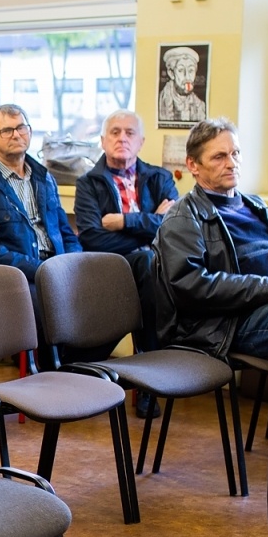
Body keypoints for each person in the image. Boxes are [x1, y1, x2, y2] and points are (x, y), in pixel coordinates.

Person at [155, 118, 268, 366]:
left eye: (235, 153)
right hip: (234, 321)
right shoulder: (183, 217)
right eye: (219, 157)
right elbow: (191, 286)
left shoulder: (256, 205)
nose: (232, 163)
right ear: (193, 165)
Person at [73, 110, 179, 364]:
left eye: (130, 133)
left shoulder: (160, 178)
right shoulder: (88, 184)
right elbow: (92, 238)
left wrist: (124, 221)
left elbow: (174, 228)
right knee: (147, 261)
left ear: (141, 142)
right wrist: (150, 228)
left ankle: (150, 359)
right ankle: (151, 360)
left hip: (155, 266)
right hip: (111, 264)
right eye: (115, 132)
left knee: (152, 266)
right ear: (103, 141)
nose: (122, 138)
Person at [0, 104, 80, 282]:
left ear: (30, 132)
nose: (16, 135)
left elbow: (66, 233)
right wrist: (42, 270)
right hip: (17, 280)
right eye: (7, 130)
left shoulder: (45, 179)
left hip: (59, 273)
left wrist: (73, 263)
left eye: (21, 128)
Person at [158, 47, 207, 124]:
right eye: (181, 70)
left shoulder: (200, 106)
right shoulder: (161, 102)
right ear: (171, 73)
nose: (187, 77)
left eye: (191, 70)